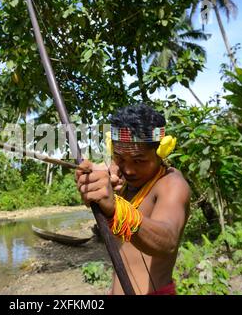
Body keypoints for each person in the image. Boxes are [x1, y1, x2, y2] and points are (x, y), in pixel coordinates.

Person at [75, 104, 190, 295]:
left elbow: (167, 241)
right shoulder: (119, 180)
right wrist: (91, 181)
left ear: (160, 152)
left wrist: (116, 209)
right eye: (120, 158)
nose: (128, 169)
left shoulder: (171, 184)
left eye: (139, 160)